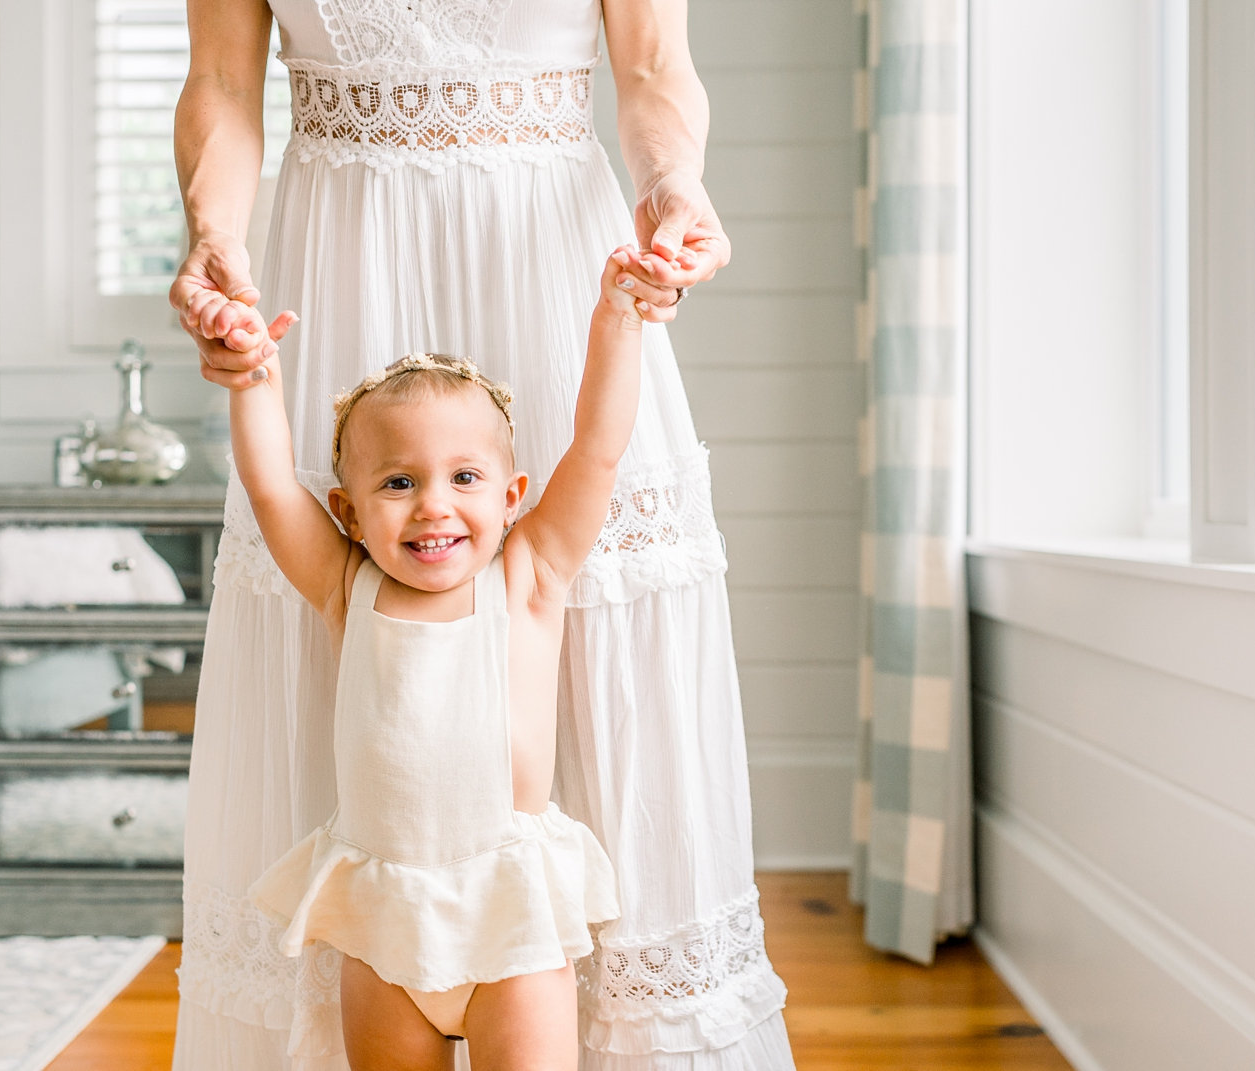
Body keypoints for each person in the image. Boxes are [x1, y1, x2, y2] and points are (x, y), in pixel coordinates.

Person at [169, 1, 795, 1068]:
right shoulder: (337, 533)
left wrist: (671, 183)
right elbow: (224, 83)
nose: (439, 506)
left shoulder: (530, 528)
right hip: (342, 259)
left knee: (588, 616)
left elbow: (650, 67)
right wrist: (215, 237)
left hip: (550, 257)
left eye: (474, 485)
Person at [228, 245, 646, 1068]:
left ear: (511, 496)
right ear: (347, 510)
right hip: (384, 918)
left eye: (464, 476)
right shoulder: (346, 587)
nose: (434, 507)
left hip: (510, 916)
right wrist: (253, 379)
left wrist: (619, 320)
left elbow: (596, 449)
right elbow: (273, 485)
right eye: (398, 483)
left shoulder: (528, 575)